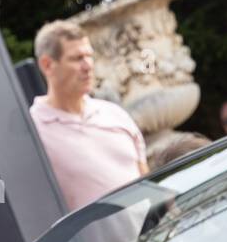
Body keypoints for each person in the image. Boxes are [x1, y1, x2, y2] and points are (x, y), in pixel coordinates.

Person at [30, 20, 149, 212]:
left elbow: (148, 183)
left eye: (89, 56)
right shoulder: (32, 132)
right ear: (47, 65)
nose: (88, 66)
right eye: (77, 58)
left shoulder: (115, 114)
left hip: (151, 240)